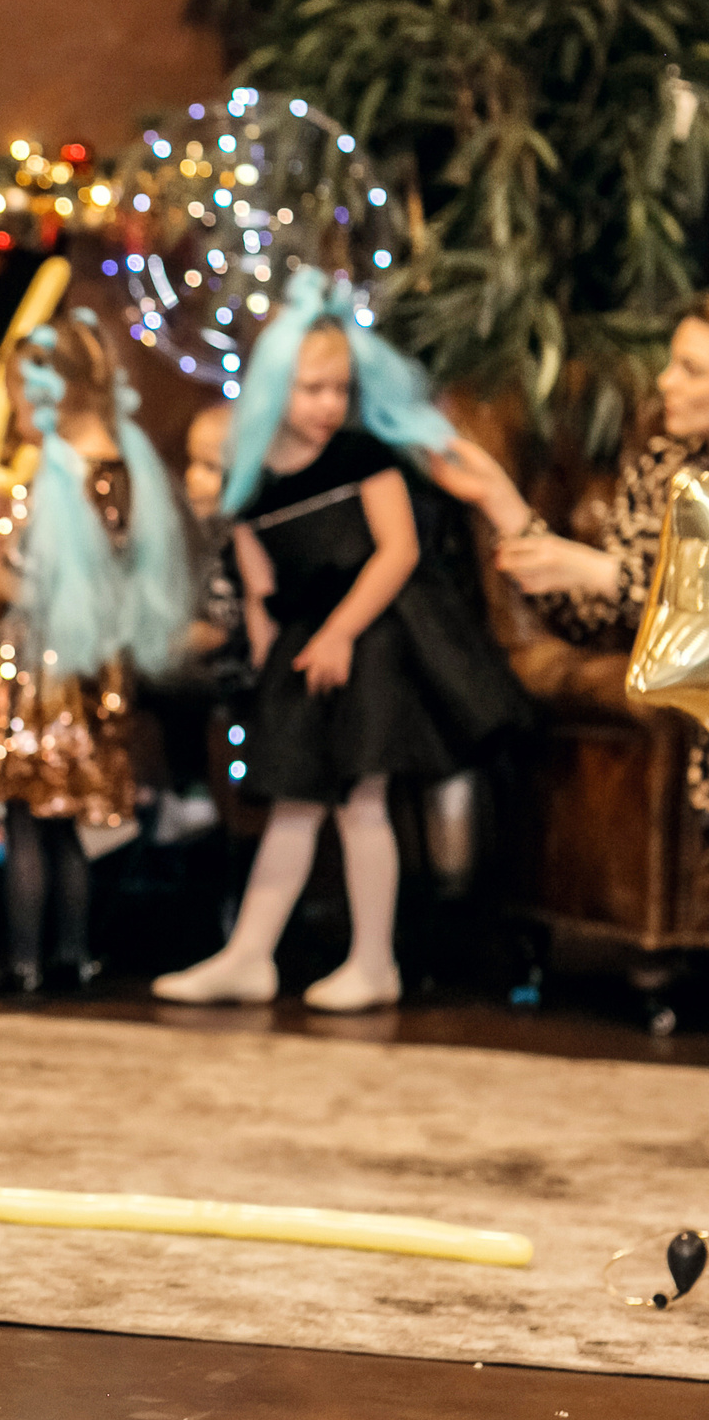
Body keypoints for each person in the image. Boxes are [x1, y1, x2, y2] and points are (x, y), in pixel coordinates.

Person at [153, 268, 524, 1011]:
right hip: (301, 646)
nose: (328, 406)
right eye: (311, 389)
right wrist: (267, 658)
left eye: (339, 390)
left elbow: (398, 553)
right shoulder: (252, 479)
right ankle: (250, 955)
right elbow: (257, 578)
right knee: (295, 801)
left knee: (362, 800)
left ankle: (374, 960)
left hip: (372, 639)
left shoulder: (363, 457)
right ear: (272, 390)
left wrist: (342, 633)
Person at [0, 311, 191, 994]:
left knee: (29, 822)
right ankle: (70, 955)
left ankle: (24, 961)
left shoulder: (66, 477)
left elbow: (37, 595)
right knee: (68, 827)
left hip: (46, 675)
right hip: (95, 673)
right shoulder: (120, 469)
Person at [429, 293, 709, 812]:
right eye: (672, 363)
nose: (666, 382)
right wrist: (502, 501)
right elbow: (595, 624)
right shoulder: (662, 465)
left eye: (692, 370)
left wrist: (608, 573)